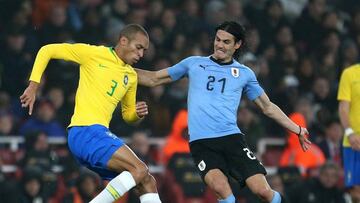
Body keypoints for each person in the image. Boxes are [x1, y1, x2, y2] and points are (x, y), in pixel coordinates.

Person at [135, 21, 311, 203]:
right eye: (218, 40)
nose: (219, 45)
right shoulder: (193, 64)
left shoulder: (244, 74)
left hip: (231, 139)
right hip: (202, 143)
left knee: (263, 191)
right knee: (220, 188)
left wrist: (297, 129)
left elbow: (268, 107)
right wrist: (118, 68)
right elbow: (154, 78)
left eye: (226, 42)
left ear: (237, 45)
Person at [20, 24, 161, 203]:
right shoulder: (94, 54)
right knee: (139, 169)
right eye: (138, 47)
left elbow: (128, 116)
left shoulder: (130, 76)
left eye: (144, 50)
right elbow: (48, 50)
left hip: (96, 136)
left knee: (147, 180)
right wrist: (33, 86)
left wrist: (136, 114)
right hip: (85, 131)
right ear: (123, 41)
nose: (141, 54)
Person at [338, 63, 360, 202]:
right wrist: (350, 132)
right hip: (354, 142)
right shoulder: (350, 73)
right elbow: (343, 108)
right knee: (356, 192)